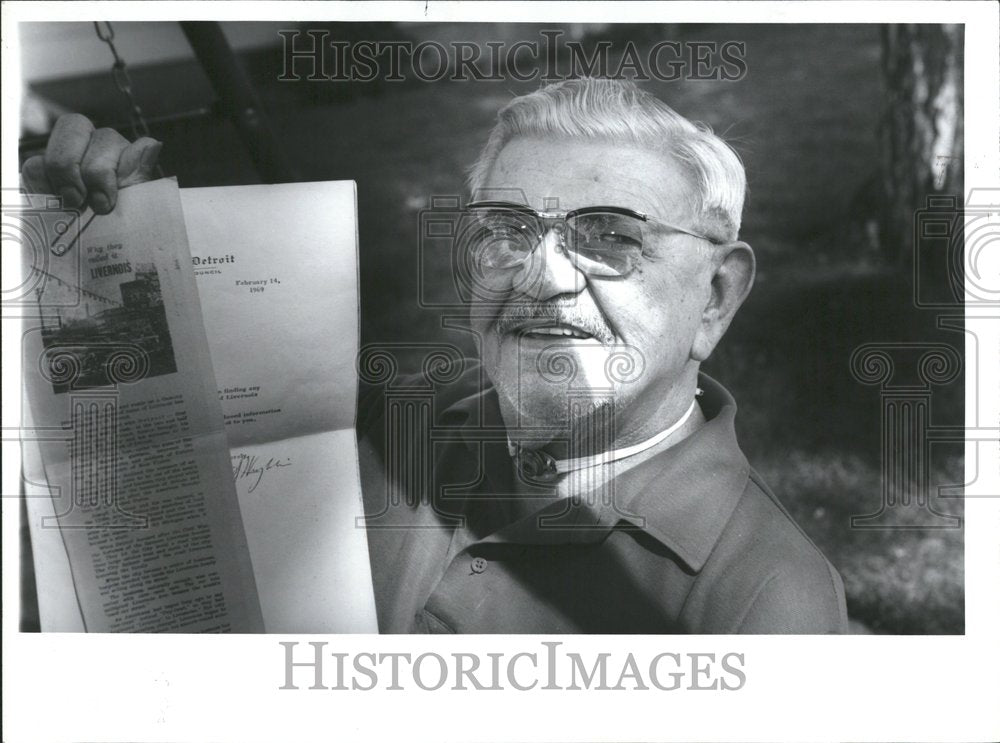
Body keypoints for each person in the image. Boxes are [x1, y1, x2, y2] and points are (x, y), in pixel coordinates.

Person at [23, 78, 847, 634]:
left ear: (715, 295)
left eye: (609, 237)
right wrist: (111, 245)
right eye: (507, 231)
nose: (544, 279)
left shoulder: (766, 603)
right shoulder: (388, 417)